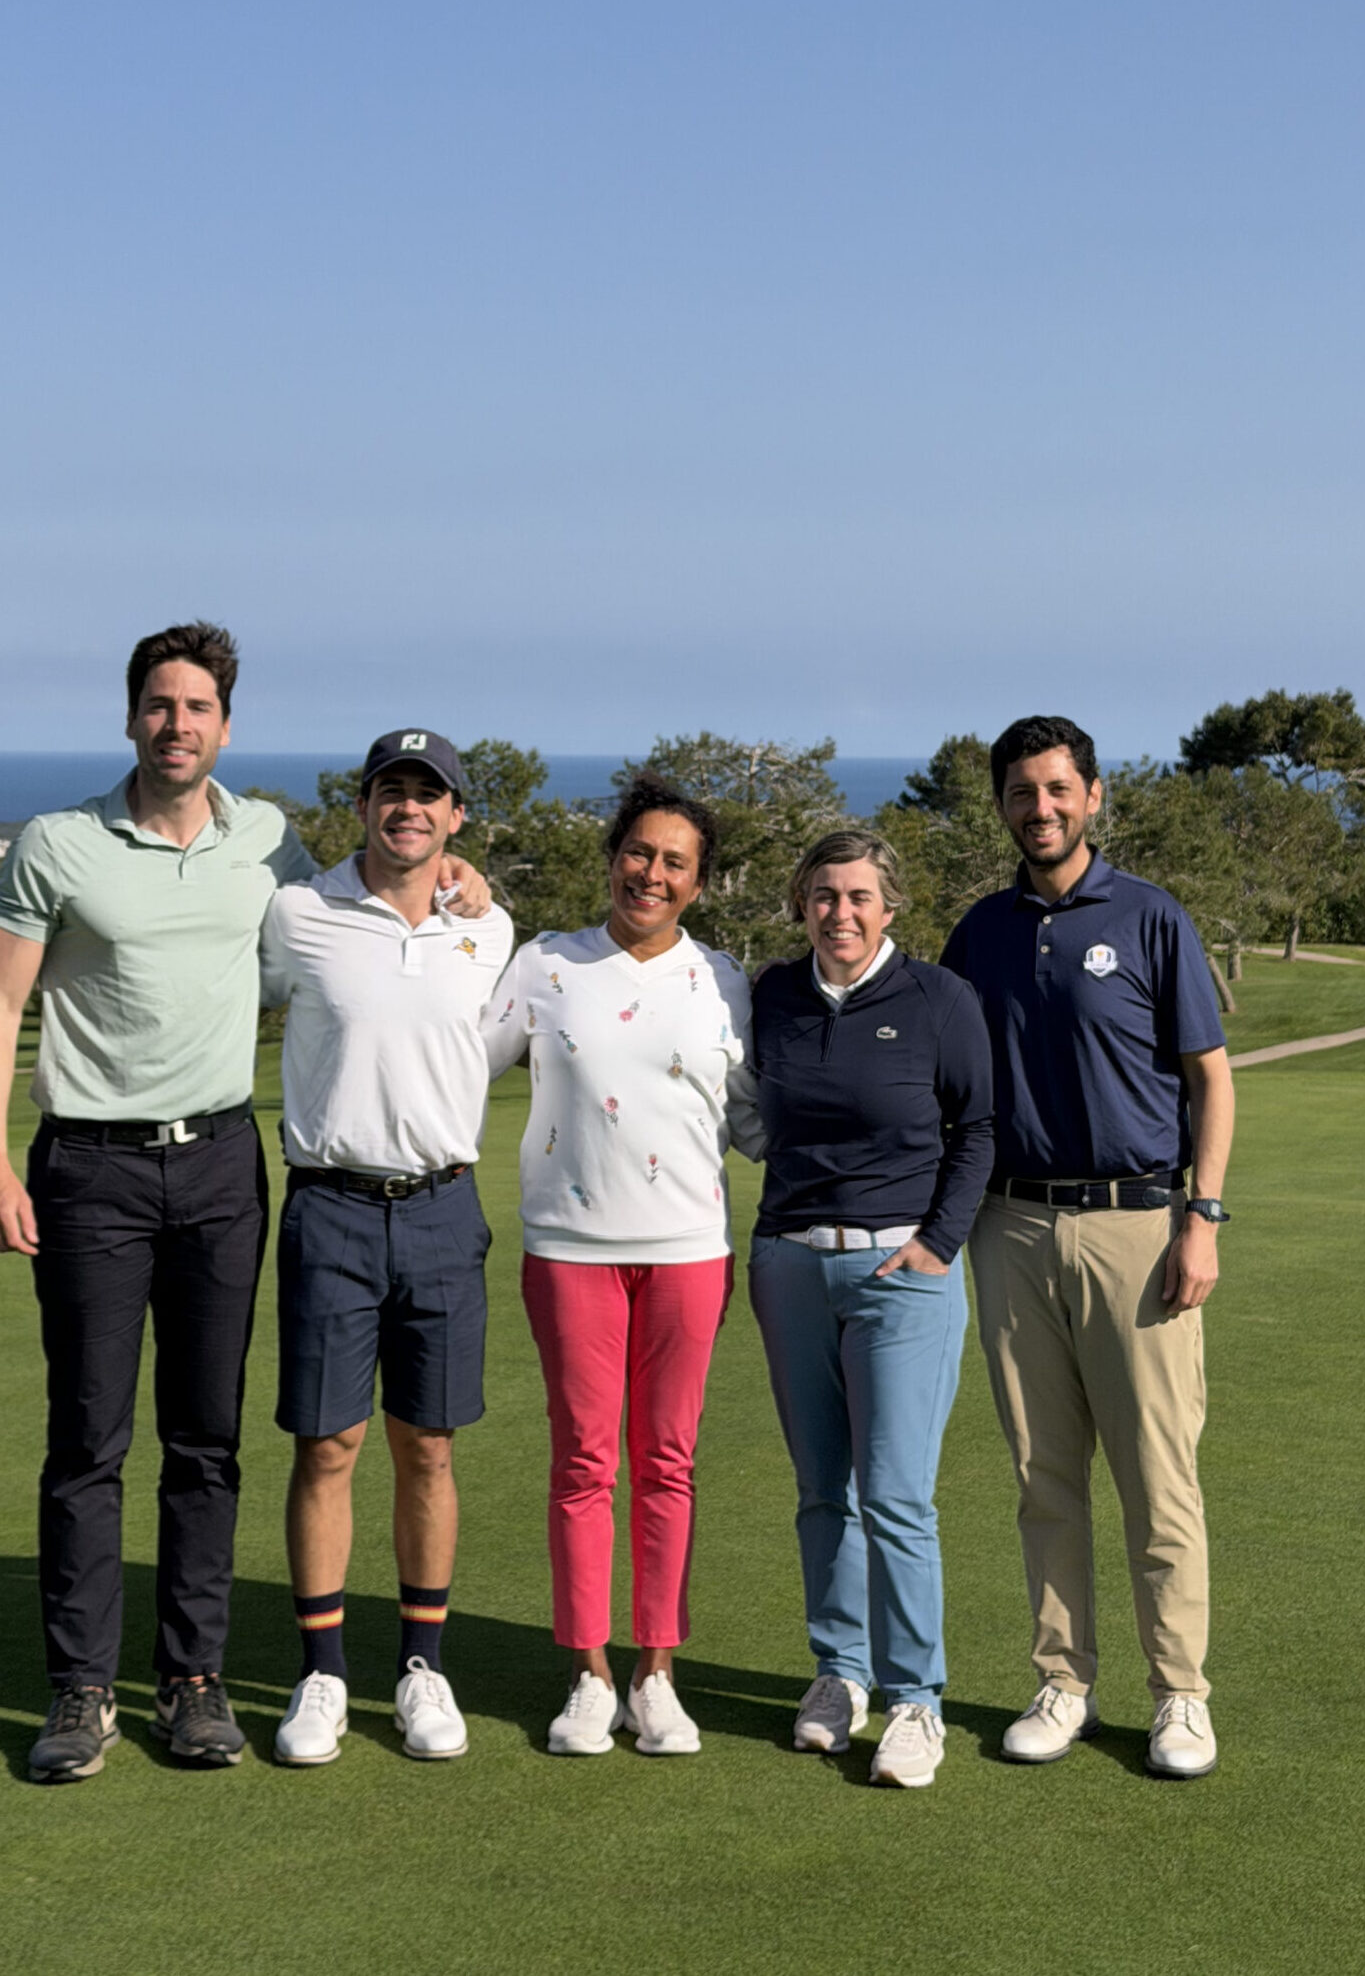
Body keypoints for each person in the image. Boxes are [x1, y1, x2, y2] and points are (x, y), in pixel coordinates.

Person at [0, 632, 486, 1782]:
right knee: (88, 1440)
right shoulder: (59, 843)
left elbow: (379, 892)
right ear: (131, 718)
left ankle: (194, 1681)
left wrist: (462, 877)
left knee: (205, 1441)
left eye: (198, 707)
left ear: (225, 727)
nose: (177, 724)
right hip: (88, 1167)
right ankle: (82, 1689)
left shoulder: (269, 846)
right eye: (159, 705)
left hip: (217, 1167)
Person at [940, 714, 1233, 1780]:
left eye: (1057, 789)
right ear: (1004, 806)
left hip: (1136, 1227)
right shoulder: (977, 931)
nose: (1040, 808)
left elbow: (1208, 1079)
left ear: (1093, 796)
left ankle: (1179, 1696)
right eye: (1021, 792)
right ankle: (1062, 1682)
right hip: (1010, 1228)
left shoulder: (1149, 918)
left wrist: (1200, 1216)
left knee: (1158, 1482)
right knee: (1042, 1476)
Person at [481, 775, 761, 1756]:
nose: (650, 872)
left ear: (697, 883)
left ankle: (655, 1674)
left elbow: (758, 1120)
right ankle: (588, 1674)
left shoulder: (722, 979)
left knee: (666, 1463)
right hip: (568, 1250)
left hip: (688, 1252)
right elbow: (460, 1064)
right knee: (583, 1461)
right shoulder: (545, 964)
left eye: (672, 862)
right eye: (637, 852)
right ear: (611, 858)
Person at [262, 730, 512, 1767]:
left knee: (430, 1447)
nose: (407, 808)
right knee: (327, 1446)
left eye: (429, 795)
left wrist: (477, 889)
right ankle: (322, 1673)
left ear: (455, 817)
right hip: (329, 1208)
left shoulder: (487, 928)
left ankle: (422, 1666)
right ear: (362, 805)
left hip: (444, 1209)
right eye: (390, 791)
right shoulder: (299, 914)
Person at [748, 830, 994, 1788]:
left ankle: (916, 1699)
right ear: (801, 903)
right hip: (790, 1266)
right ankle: (838, 1675)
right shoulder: (771, 992)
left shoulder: (939, 1000)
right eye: (822, 895)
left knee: (895, 1496)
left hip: (902, 1275)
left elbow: (975, 1130)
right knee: (823, 1490)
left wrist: (938, 1244)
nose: (839, 913)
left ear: (890, 907)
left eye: (857, 897)